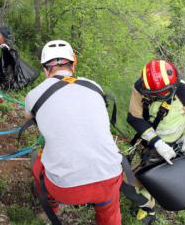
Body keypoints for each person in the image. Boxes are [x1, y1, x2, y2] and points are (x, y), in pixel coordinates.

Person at [25, 40, 124, 225]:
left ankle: (51, 207)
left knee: (37, 163)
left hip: (66, 189)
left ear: (46, 70)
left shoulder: (34, 94)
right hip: (109, 179)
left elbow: (28, 117)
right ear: (73, 64)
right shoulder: (94, 86)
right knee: (110, 211)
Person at [123, 59, 185, 224]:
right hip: (147, 140)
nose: (155, 97)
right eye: (151, 94)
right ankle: (147, 202)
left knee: (153, 176)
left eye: (161, 94)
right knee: (130, 181)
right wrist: (156, 142)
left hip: (172, 143)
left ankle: (148, 205)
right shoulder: (141, 88)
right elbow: (134, 118)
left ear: (173, 86)